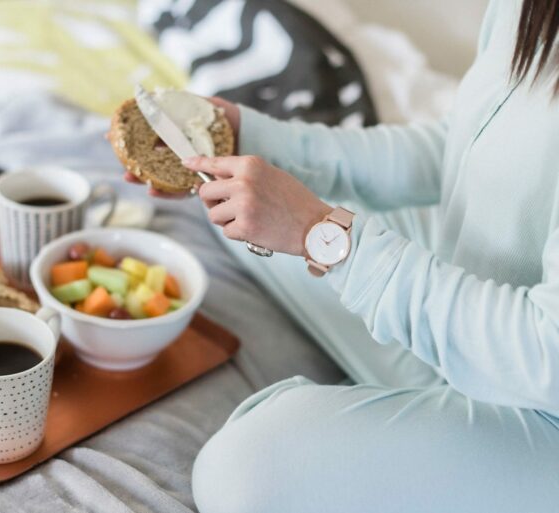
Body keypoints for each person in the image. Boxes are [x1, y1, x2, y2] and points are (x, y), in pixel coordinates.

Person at [125, 1, 559, 511]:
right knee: (234, 200)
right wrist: (260, 139)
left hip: (540, 394)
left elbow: (544, 356)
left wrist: (321, 234)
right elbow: (456, 144)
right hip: (474, 307)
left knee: (246, 469)